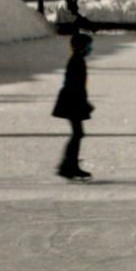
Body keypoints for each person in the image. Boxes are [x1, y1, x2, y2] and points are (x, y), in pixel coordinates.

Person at [52, 33, 95, 180]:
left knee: (78, 134)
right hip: (72, 101)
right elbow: (74, 85)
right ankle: (68, 166)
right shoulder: (77, 61)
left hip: (72, 100)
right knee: (77, 134)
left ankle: (69, 165)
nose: (90, 49)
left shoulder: (77, 60)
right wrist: (82, 103)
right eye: (88, 46)